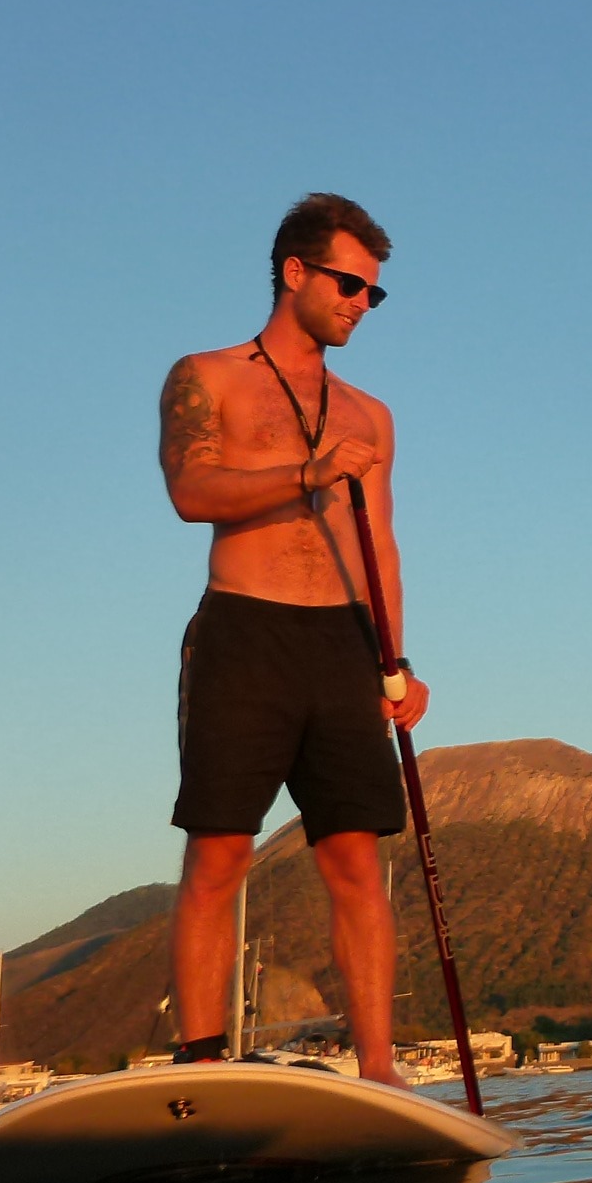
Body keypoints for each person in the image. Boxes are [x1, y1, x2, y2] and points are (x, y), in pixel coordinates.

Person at [157, 193, 429, 1082]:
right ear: (295, 271)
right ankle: (201, 1065)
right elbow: (192, 493)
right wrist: (306, 472)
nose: (360, 303)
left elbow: (378, 541)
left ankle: (378, 1072)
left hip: (346, 646)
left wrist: (397, 660)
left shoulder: (373, 413)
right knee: (221, 847)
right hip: (246, 631)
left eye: (374, 294)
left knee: (356, 857)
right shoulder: (207, 375)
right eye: (350, 284)